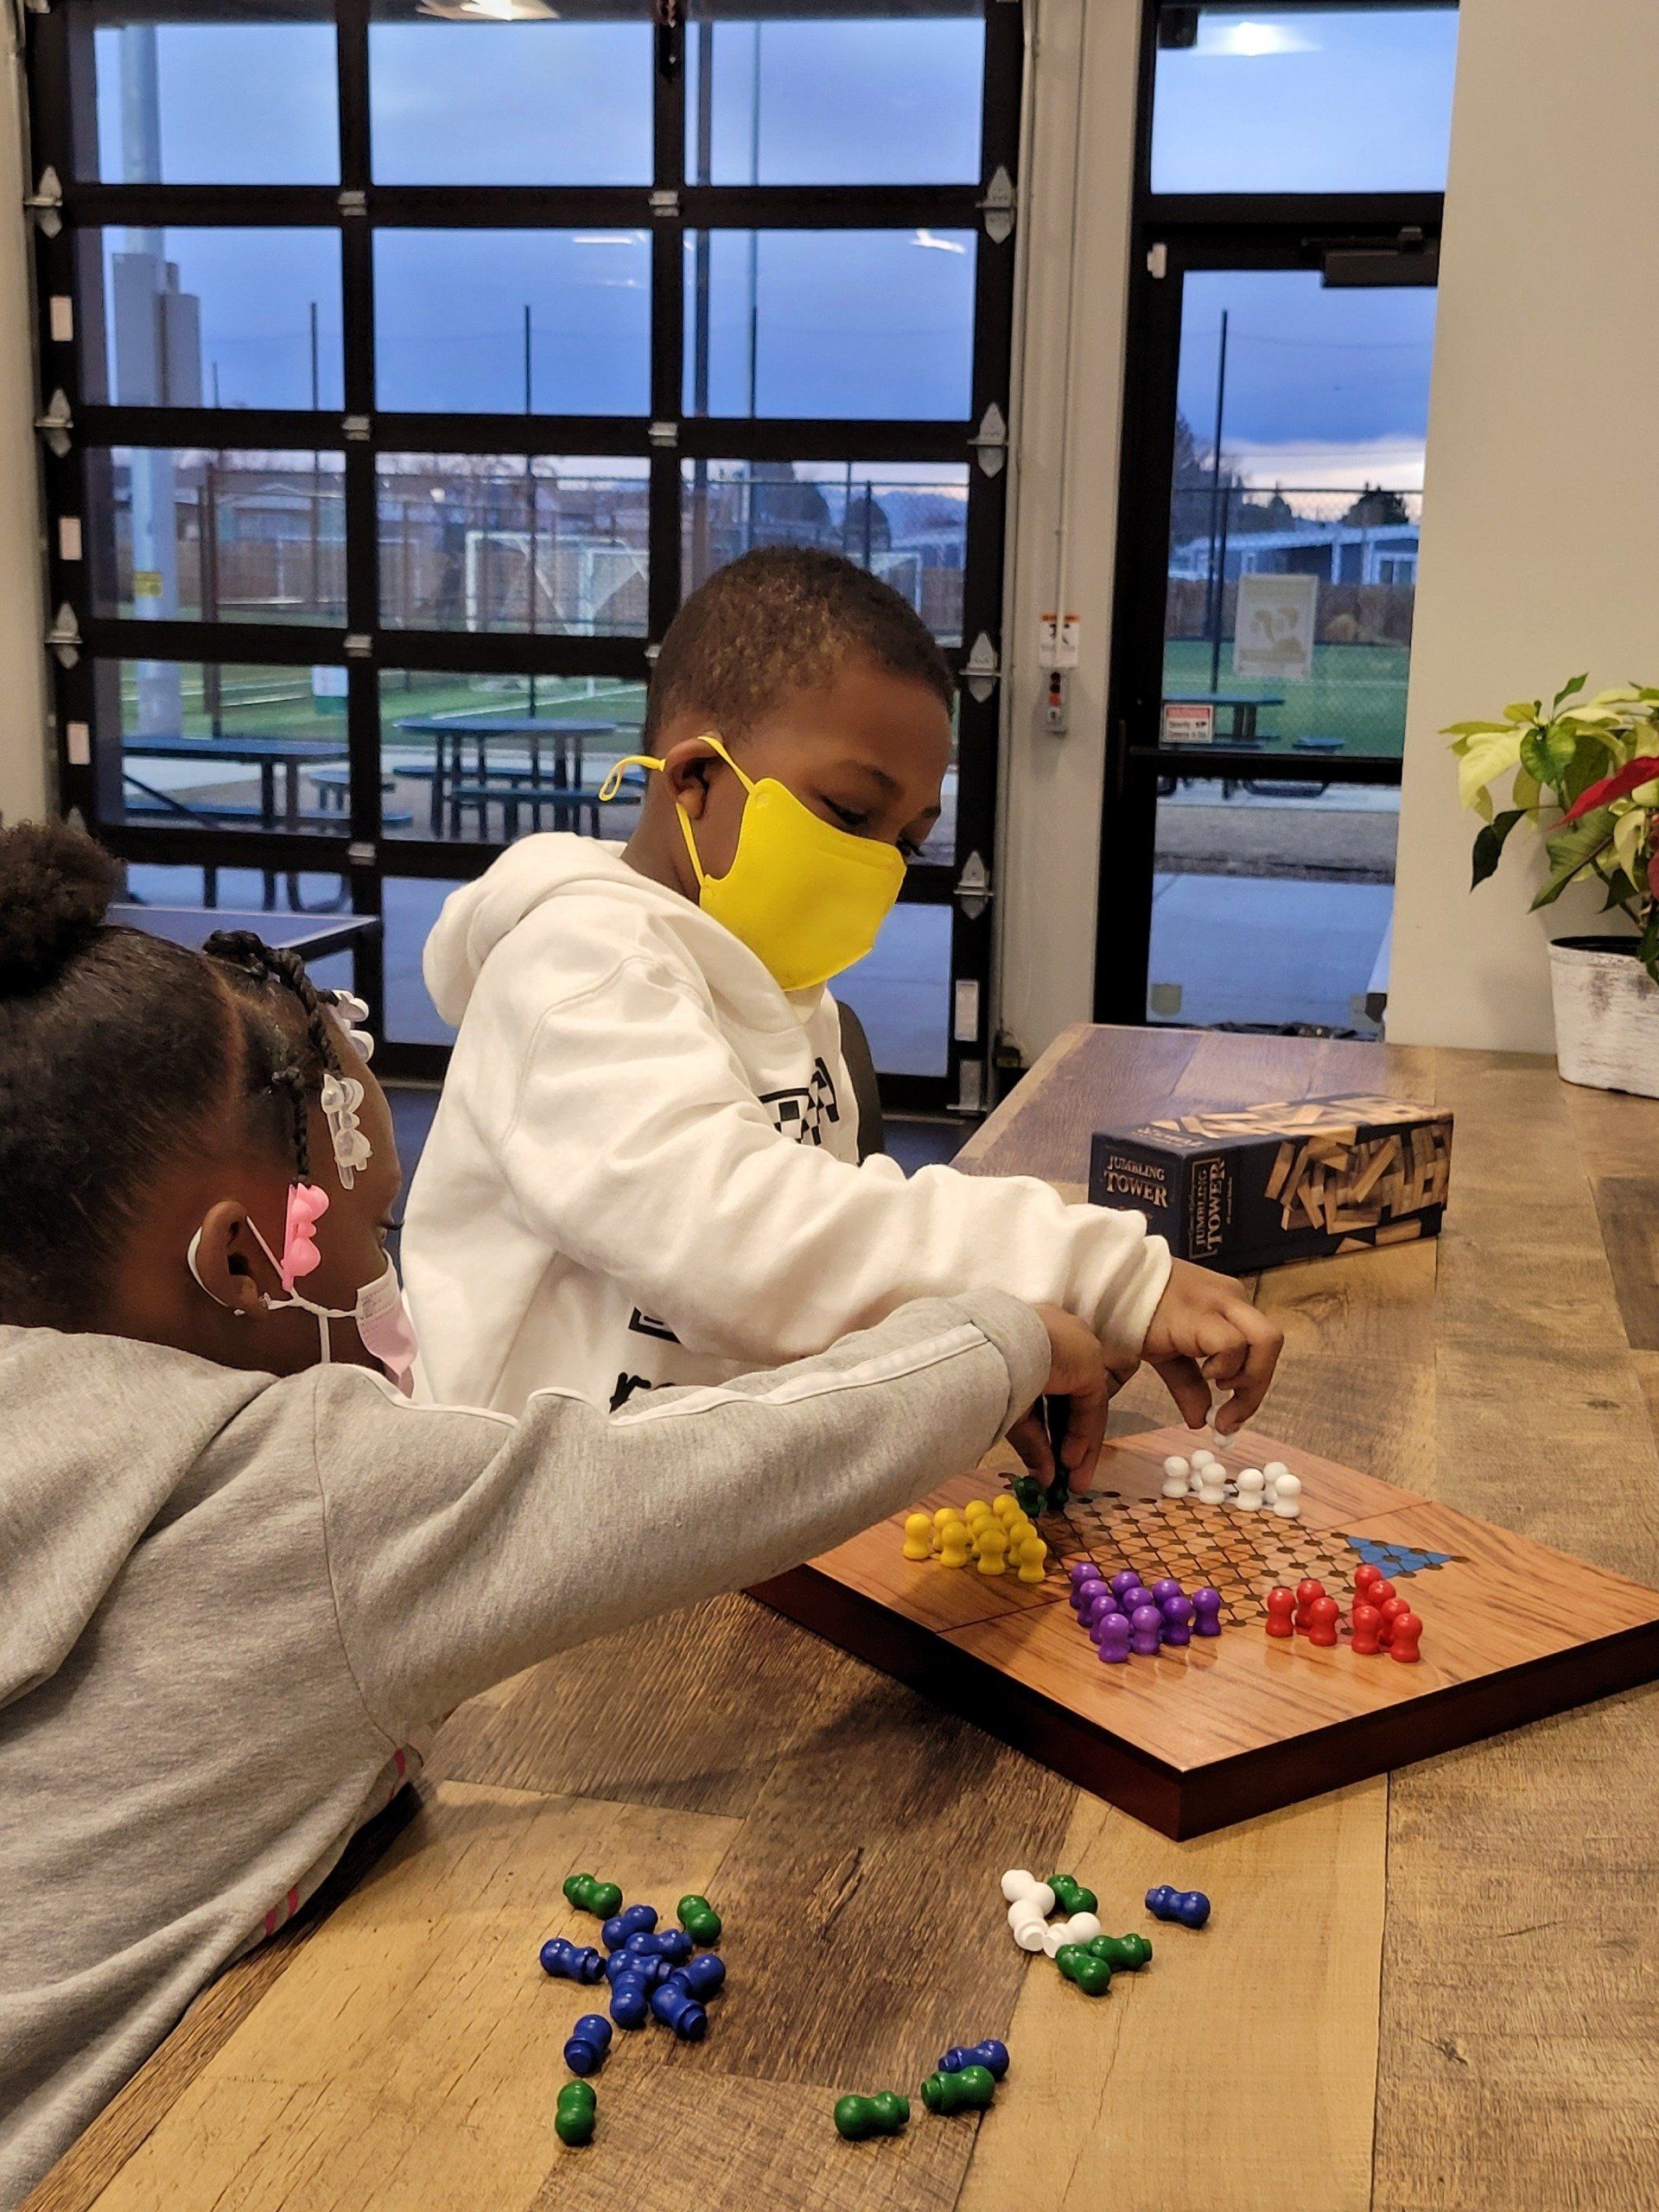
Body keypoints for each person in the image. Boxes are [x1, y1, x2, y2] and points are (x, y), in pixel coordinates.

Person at [0, 821, 1105, 2209]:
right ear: (239, 1261)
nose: (391, 1275)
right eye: (373, 1234)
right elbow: (699, 1479)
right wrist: (1006, 1337)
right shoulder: (293, 1496)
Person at [402, 547, 1281, 1452]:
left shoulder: (787, 994)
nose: (877, 866)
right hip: (527, 1513)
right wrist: (1098, 1272)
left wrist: (964, 1343)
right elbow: (746, 1247)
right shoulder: (577, 969)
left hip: (713, 1488)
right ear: (695, 779)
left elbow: (823, 1278)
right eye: (853, 814)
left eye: (907, 840)